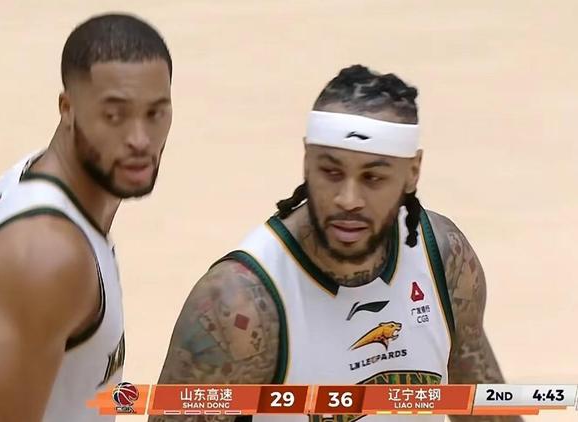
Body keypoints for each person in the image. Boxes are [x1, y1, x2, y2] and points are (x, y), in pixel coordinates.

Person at [152, 65, 521, 422]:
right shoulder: (237, 306)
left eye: (373, 178)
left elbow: (484, 408)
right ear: (306, 162)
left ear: (412, 172)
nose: (348, 199)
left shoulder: (445, 257)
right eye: (331, 172)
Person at [0, 13, 173, 422]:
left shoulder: (33, 180)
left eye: (155, 113)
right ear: (67, 109)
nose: (140, 140)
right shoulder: (46, 259)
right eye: (115, 115)